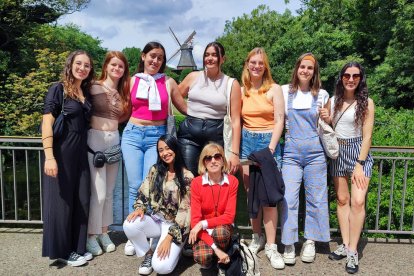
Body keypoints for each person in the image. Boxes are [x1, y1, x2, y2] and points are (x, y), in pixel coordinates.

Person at [121, 42, 187, 255]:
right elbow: (122, 108)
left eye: (159, 58)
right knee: (134, 186)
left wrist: (213, 115)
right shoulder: (132, 81)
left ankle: (149, 233)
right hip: (132, 133)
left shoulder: (168, 81)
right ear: (143, 56)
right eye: (152, 56)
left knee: (151, 185)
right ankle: (134, 233)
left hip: (155, 137)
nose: (155, 61)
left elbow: (183, 107)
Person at [41, 50, 95, 266]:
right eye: (79, 64)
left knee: (82, 200)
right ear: (71, 65)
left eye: (87, 65)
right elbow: (47, 122)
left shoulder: (85, 92)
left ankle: (77, 248)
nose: (82, 68)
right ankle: (62, 252)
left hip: (81, 153)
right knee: (61, 204)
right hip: (62, 152)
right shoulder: (58, 89)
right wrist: (49, 157)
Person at [321, 62, 374, 274]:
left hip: (358, 153)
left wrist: (360, 164)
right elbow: (327, 127)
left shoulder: (367, 103)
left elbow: (368, 135)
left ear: (361, 78)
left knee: (358, 201)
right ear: (341, 78)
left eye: (355, 76)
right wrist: (326, 118)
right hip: (337, 152)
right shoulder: (333, 101)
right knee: (342, 200)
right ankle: (345, 243)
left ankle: (353, 251)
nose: (351, 79)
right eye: (347, 75)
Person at [281, 53, 330, 265]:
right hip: (290, 152)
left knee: (316, 198)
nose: (305, 71)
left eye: (310, 68)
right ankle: (289, 242)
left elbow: (328, 124)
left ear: (314, 72)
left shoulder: (322, 95)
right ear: (297, 68)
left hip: (316, 152)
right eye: (302, 67)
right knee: (289, 198)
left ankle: (310, 240)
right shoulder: (284, 92)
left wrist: (328, 117)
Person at [239, 48, 285, 269]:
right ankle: (257, 237)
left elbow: (279, 121)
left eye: (260, 63)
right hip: (247, 143)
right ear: (247, 64)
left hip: (269, 144)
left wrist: (271, 149)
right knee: (252, 194)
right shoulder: (242, 90)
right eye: (253, 62)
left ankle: (272, 246)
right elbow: (235, 121)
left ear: (265, 66)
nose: (256, 66)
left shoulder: (274, 89)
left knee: (268, 196)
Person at [123, 134, 193, 275]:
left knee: (161, 268)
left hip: (176, 226)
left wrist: (169, 237)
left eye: (167, 148)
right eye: (160, 150)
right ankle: (148, 254)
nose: (165, 153)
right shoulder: (155, 170)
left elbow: (186, 212)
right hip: (157, 220)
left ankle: (177, 248)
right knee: (129, 224)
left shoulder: (188, 177)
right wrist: (140, 208)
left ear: (175, 148)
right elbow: (143, 191)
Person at [86, 51, 131, 256]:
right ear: (106, 66)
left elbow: (123, 115)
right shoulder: (94, 86)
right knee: (99, 193)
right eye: (113, 65)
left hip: (114, 140)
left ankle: (104, 232)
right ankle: (91, 236)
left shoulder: (122, 93)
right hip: (95, 139)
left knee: (110, 193)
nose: (116, 69)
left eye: (120, 66)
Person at [177, 41, 241, 177]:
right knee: (188, 178)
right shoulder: (193, 77)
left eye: (214, 55)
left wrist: (235, 153)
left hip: (215, 136)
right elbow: (175, 96)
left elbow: (236, 120)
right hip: (189, 136)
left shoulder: (231, 84)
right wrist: (187, 110)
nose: (209, 58)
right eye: (206, 55)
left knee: (214, 179)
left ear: (222, 59)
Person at [189, 143, 239, 271]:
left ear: (223, 161)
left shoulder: (232, 181)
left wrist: (202, 223)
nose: (213, 161)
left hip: (222, 229)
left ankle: (224, 254)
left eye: (217, 156)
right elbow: (195, 221)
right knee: (203, 257)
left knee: (221, 233)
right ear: (204, 163)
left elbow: (229, 217)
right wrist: (215, 249)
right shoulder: (196, 183)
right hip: (204, 232)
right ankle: (216, 255)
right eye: (208, 158)